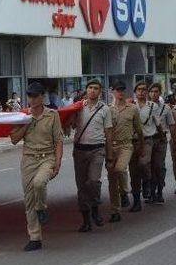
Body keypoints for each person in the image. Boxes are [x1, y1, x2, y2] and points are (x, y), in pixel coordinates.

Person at [10, 82, 63, 251]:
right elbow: (14, 139)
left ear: (42, 97)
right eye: (29, 96)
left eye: (35, 96)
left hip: (46, 157)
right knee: (29, 199)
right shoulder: (22, 116)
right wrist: (26, 123)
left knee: (39, 183)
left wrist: (58, 162)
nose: (31, 99)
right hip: (28, 159)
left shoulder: (52, 115)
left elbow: (59, 141)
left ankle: (42, 208)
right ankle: (35, 237)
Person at [71, 79, 112, 232]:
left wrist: (110, 155)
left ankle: (95, 207)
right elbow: (71, 125)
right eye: (90, 88)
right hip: (80, 150)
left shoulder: (104, 109)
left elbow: (108, 133)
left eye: (96, 88)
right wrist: (73, 111)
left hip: (97, 149)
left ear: (100, 92)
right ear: (86, 90)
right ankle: (86, 219)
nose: (92, 90)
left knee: (93, 181)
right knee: (81, 185)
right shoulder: (79, 107)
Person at [107, 81, 143, 223]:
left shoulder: (132, 109)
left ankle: (124, 191)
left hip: (126, 145)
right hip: (110, 146)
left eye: (122, 90)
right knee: (111, 179)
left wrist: (141, 145)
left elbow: (139, 129)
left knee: (120, 169)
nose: (120, 93)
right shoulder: (107, 109)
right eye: (117, 90)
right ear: (112, 92)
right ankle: (115, 210)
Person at [129, 81, 157, 212]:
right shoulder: (129, 105)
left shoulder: (153, 106)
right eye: (139, 89)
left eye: (144, 89)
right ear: (135, 92)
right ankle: (136, 201)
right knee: (134, 172)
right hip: (132, 141)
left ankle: (147, 181)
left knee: (143, 163)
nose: (141, 92)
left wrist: (162, 136)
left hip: (146, 140)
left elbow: (158, 123)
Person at [148, 83, 175, 204]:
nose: (154, 94)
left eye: (156, 91)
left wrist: (174, 140)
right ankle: (150, 191)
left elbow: (171, 125)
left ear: (159, 93)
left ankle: (159, 190)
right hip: (148, 139)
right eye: (152, 91)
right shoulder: (145, 107)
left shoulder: (166, 108)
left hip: (161, 140)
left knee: (159, 166)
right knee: (148, 166)